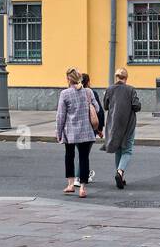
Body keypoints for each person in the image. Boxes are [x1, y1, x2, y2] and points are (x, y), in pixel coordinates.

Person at [57, 68, 98, 198]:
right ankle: (83, 188)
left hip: (70, 132)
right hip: (86, 131)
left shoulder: (65, 94)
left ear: (68, 79)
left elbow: (61, 116)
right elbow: (96, 108)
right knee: (84, 158)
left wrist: (59, 132)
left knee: (69, 156)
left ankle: (70, 184)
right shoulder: (88, 92)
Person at [101, 68, 140, 189]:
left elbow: (106, 106)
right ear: (126, 78)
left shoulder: (110, 89)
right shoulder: (130, 89)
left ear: (116, 77)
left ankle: (120, 175)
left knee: (118, 149)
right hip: (128, 123)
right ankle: (120, 172)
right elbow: (136, 106)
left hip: (114, 124)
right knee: (127, 149)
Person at [79, 72, 103, 183]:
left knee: (81, 153)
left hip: (76, 127)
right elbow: (99, 111)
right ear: (88, 82)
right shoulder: (91, 93)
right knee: (84, 153)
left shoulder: (72, 92)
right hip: (89, 128)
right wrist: (99, 129)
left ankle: (84, 173)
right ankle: (79, 177)